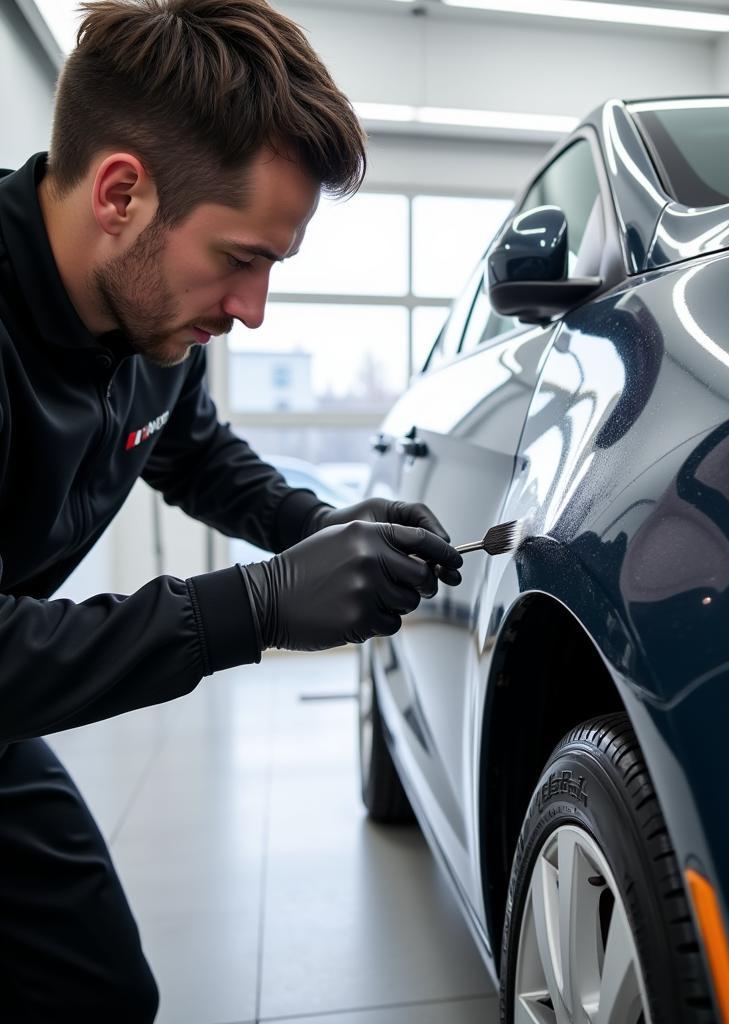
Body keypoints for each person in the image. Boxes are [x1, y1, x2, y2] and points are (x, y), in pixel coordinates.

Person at [0, 0, 463, 1017]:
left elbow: (192, 450)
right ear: (120, 192)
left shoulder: (149, 318)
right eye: (240, 258)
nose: (251, 310)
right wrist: (254, 606)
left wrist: (315, 525)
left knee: (96, 989)